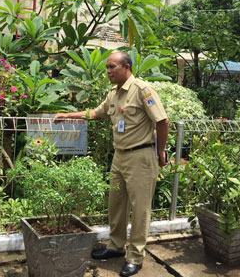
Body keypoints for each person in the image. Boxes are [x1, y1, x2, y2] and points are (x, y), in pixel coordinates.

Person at [55, 51, 169, 277]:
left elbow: (162, 120)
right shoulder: (114, 94)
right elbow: (98, 112)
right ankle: (116, 247)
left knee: (140, 210)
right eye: (107, 67)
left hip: (141, 157)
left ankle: (135, 256)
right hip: (120, 157)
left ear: (126, 67)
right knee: (116, 204)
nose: (108, 71)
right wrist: (69, 116)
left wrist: (161, 150)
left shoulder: (142, 90)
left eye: (112, 67)